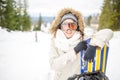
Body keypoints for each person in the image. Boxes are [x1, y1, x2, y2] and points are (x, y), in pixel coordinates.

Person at [49, 8, 113, 80]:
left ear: (77, 27)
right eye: (65, 25)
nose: (68, 29)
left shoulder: (82, 39)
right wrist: (74, 51)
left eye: (72, 25)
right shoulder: (55, 41)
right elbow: (53, 65)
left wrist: (93, 45)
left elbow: (108, 32)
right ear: (60, 27)